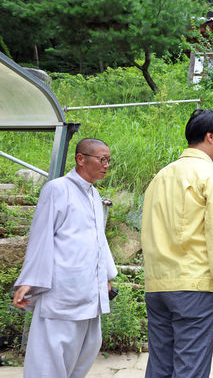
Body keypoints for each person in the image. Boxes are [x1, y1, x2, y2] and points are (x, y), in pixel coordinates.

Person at [141, 109, 213, 378]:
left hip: (157, 287)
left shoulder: (159, 177)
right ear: (211, 137)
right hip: (195, 290)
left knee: (160, 366)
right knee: (190, 370)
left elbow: (147, 232)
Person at [12, 138, 117, 378]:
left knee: (86, 351)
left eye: (108, 160)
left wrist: (107, 277)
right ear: (81, 159)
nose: (106, 165)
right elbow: (41, 236)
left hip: (89, 293)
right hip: (62, 293)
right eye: (102, 159)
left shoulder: (95, 194)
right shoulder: (57, 189)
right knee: (49, 363)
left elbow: (99, 240)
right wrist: (29, 280)